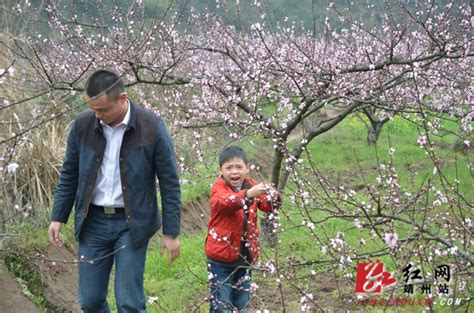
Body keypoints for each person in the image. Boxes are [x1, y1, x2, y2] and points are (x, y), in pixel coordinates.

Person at [48, 70, 181, 313]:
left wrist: (171, 233)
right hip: (93, 222)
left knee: (129, 302)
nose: (98, 115)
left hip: (132, 223)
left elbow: (170, 182)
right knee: (90, 301)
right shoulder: (82, 125)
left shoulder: (151, 127)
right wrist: (58, 216)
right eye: (93, 110)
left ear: (122, 98)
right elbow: (70, 172)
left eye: (103, 110)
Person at [205, 146, 283, 312]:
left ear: (247, 168)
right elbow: (225, 203)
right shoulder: (218, 188)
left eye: (239, 167)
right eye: (229, 168)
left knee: (242, 304)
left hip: (245, 256)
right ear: (220, 170)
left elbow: (266, 205)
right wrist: (248, 195)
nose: (234, 172)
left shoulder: (251, 185)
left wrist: (273, 197)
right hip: (221, 259)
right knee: (221, 305)